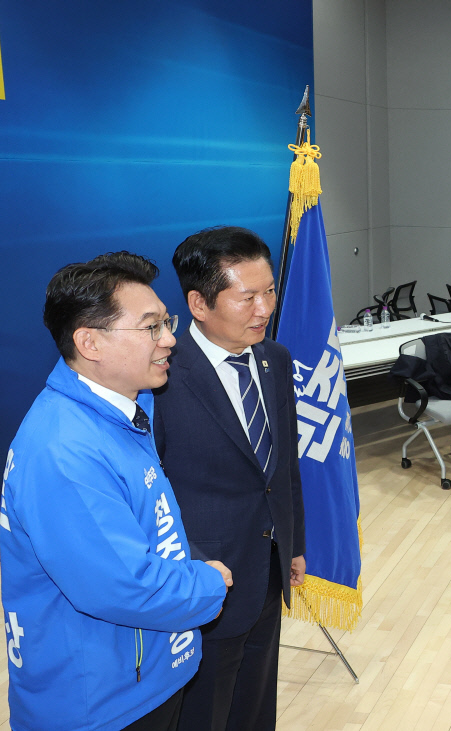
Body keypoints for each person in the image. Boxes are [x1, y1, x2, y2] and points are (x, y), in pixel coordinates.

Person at [1, 253, 230, 731]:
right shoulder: (64, 451)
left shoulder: (124, 407)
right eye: (150, 327)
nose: (169, 338)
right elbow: (123, 586)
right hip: (102, 705)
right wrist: (206, 583)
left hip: (145, 675)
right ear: (90, 343)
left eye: (165, 322)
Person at [154, 228, 305, 731]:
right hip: (205, 581)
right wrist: (192, 571)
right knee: (204, 712)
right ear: (199, 303)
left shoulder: (275, 358)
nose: (265, 309)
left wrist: (293, 544)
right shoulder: (161, 378)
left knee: (256, 706)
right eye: (248, 297)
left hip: (268, 567)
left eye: (270, 292)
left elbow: (284, 465)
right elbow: (152, 495)